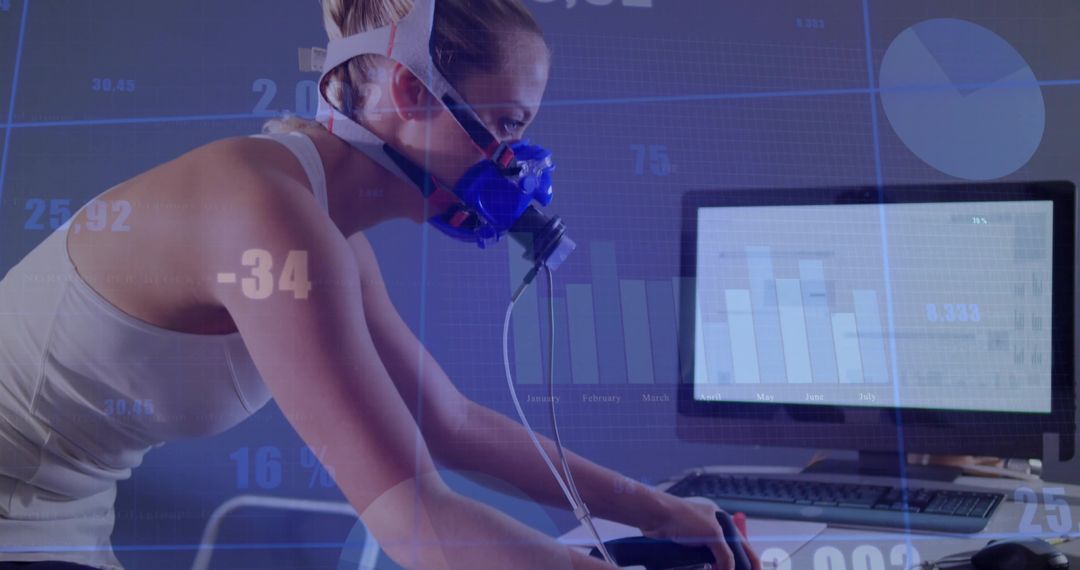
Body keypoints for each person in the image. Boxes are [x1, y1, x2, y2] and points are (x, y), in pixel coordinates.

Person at [0, 0, 761, 569]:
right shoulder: (268, 216)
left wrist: (660, 514)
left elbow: (450, 423)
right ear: (408, 91)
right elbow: (414, 523)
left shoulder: (322, 232)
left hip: (68, 515)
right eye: (504, 123)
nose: (517, 165)